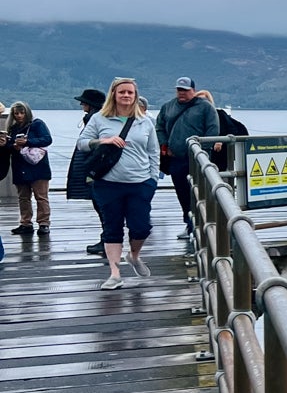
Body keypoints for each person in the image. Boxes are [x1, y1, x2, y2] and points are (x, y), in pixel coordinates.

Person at [78, 77, 161, 289]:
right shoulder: (99, 119)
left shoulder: (145, 121)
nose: (126, 95)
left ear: (135, 96)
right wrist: (102, 140)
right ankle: (115, 274)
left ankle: (134, 255)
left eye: (130, 92)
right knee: (112, 228)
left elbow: (153, 152)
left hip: (140, 183)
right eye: (122, 92)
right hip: (108, 183)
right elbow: (82, 144)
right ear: (113, 94)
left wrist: (152, 180)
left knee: (141, 228)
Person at [155, 77, 219, 238]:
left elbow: (212, 129)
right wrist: (164, 145)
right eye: (179, 90)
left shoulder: (206, 107)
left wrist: (203, 151)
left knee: (199, 193)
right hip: (176, 159)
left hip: (197, 160)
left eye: (185, 90)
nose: (182, 93)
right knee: (182, 193)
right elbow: (159, 127)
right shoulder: (168, 107)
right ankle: (189, 224)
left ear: (193, 90)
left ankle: (203, 225)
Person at [66, 88, 109, 255]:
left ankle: (107, 241)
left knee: (102, 206)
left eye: (83, 102)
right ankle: (107, 239)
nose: (81, 105)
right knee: (101, 206)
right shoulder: (96, 119)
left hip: (95, 172)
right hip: (95, 170)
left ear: (91, 105)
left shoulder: (95, 120)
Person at [5, 101, 53, 235]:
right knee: (23, 197)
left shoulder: (37, 124)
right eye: (16, 113)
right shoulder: (13, 128)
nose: (19, 116)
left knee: (41, 197)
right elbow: (9, 146)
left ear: (27, 113)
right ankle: (25, 223)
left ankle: (44, 223)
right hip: (20, 166)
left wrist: (28, 142)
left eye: (22, 113)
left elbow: (47, 139)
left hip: (38, 166)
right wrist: (11, 145)